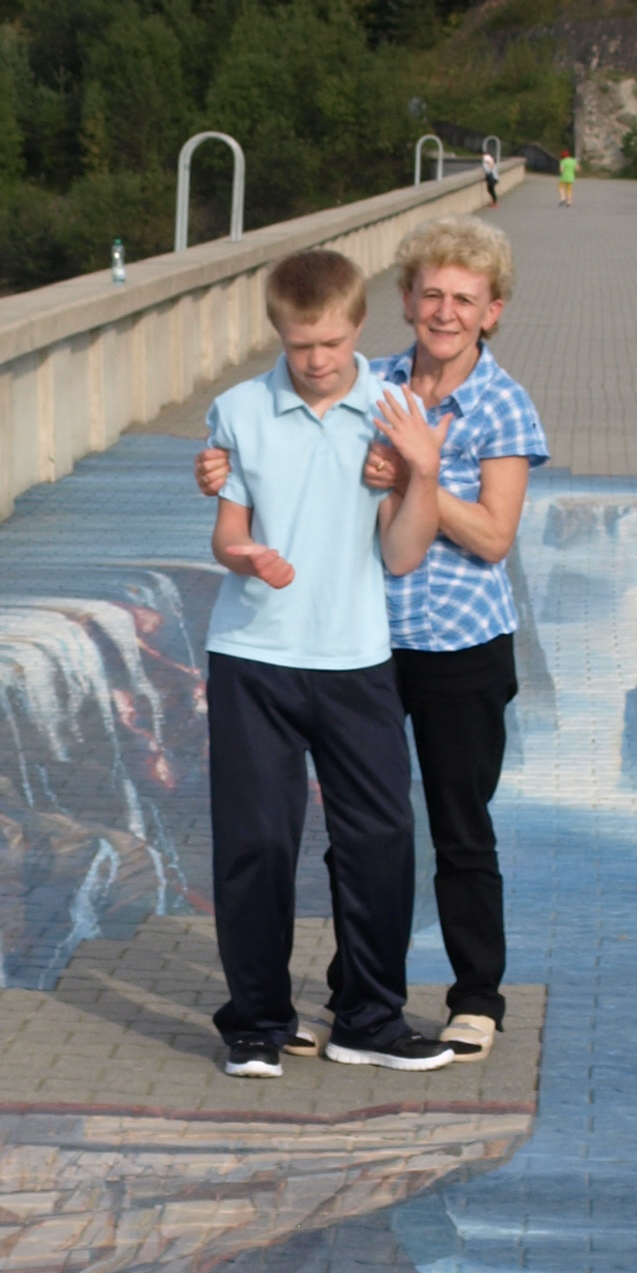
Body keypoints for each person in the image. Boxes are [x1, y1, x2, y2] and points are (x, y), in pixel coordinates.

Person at [199, 212, 546, 1058]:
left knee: (453, 826)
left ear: (492, 311)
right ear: (403, 302)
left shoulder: (498, 404)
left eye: (464, 298)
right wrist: (222, 469)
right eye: (431, 294)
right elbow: (276, 459)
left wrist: (420, 473)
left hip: (456, 644)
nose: (445, 311)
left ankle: (473, 996)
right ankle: (351, 998)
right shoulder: (368, 381)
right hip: (362, 642)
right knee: (355, 833)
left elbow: (494, 538)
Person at [199, 248, 451, 1078]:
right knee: (257, 844)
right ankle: (256, 1022)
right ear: (278, 332)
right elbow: (227, 534)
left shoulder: (393, 411)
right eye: (301, 345)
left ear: (360, 326)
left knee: (382, 839)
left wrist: (421, 472)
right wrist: (246, 557)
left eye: (334, 343)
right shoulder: (238, 410)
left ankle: (369, 1019)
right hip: (253, 657)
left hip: (355, 658)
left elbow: (403, 554)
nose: (317, 361)